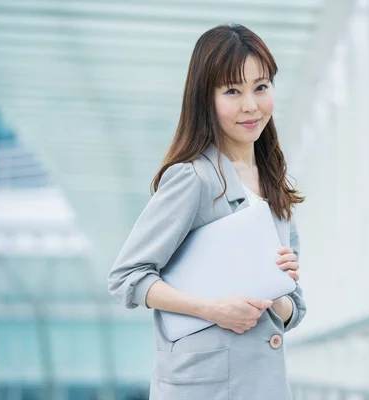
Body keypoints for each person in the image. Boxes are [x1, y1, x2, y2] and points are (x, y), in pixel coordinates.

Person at [107, 24, 306, 399]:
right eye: (233, 91)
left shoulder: (275, 186)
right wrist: (212, 309)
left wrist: (279, 289)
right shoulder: (193, 179)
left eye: (261, 87)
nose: (251, 105)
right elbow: (127, 278)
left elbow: (292, 309)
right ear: (206, 99)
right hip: (204, 387)